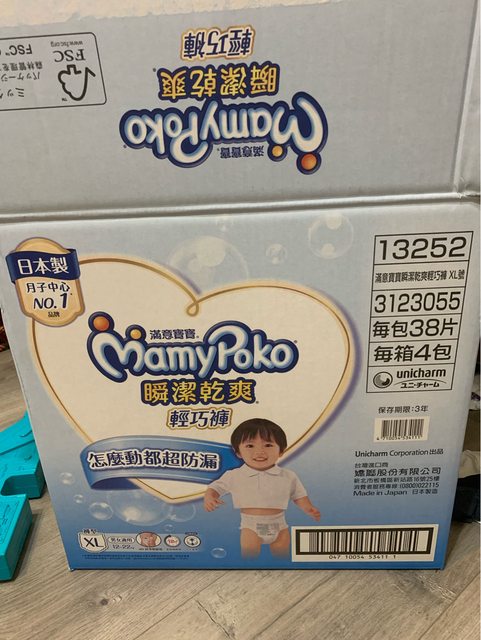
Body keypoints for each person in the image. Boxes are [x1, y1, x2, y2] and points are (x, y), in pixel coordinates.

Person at [204, 418, 320, 558]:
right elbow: (216, 487)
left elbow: (299, 495)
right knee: (250, 556)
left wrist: (308, 508)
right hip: (251, 526)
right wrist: (210, 496)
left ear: (281, 451)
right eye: (250, 446)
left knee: (282, 556)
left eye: (268, 445)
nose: (259, 451)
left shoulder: (288, 475)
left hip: (280, 526)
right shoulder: (235, 475)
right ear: (238, 452)